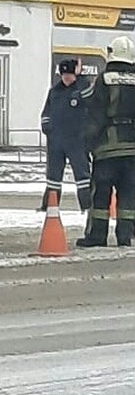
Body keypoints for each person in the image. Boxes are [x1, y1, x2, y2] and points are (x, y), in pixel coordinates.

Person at [77, 36, 135, 248]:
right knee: (128, 195)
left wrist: (87, 142)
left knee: (101, 194)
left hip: (107, 149)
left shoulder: (104, 79)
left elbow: (95, 113)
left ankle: (97, 236)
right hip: (132, 150)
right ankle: (125, 236)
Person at [39, 59, 91, 213]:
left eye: (70, 74)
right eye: (64, 75)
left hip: (77, 141)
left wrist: (80, 78)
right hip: (56, 141)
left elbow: (90, 98)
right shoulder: (54, 91)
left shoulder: (81, 89)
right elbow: (46, 112)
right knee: (53, 176)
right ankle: (49, 206)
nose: (67, 78)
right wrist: (46, 126)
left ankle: (87, 206)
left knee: (82, 176)